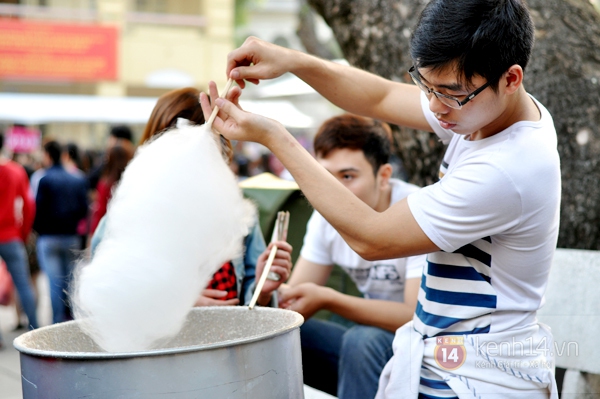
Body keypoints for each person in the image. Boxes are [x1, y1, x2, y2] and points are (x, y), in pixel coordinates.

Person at [201, 0, 561, 397]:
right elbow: (380, 97)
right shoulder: (490, 111)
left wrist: (274, 136)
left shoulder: (508, 169)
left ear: (511, 79)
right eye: (427, 86)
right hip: (447, 361)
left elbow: (371, 238)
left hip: (476, 378)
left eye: (451, 94)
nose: (436, 107)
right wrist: (293, 61)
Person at [92, 87, 292, 307]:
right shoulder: (124, 220)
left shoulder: (240, 218)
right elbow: (103, 302)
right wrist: (173, 307)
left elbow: (254, 307)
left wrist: (262, 290)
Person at [279, 114, 426, 398]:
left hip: (427, 349)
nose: (332, 191)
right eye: (325, 176)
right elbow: (293, 302)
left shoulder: (417, 212)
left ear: (383, 176)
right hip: (370, 348)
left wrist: (329, 299)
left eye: (347, 176)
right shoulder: (325, 219)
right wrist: (269, 287)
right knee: (285, 333)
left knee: (363, 339)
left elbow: (414, 316)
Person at [34, 140, 89, 324]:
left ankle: (57, 324)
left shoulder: (45, 179)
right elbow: (84, 209)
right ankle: (72, 323)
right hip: (71, 236)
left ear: (48, 155)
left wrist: (38, 231)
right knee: (71, 283)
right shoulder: (77, 178)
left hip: (49, 237)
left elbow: (39, 210)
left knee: (54, 284)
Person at [0, 133, 39, 348]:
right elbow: (28, 205)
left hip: (9, 233)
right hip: (11, 235)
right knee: (23, 284)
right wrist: (22, 233)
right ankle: (35, 330)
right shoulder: (16, 170)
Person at [89, 144, 133, 236]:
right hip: (127, 231)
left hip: (107, 233)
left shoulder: (105, 184)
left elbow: (100, 211)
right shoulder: (132, 184)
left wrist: (93, 235)